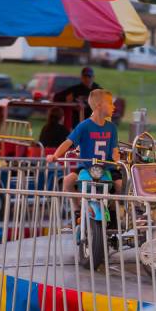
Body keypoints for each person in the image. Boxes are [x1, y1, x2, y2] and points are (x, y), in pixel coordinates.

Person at [47, 89, 122, 220]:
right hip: (87, 166)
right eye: (110, 103)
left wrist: (117, 159)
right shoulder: (84, 126)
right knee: (67, 181)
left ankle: (113, 208)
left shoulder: (112, 127)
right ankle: (77, 208)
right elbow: (68, 142)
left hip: (107, 167)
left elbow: (115, 149)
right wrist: (55, 155)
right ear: (99, 105)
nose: (113, 106)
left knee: (120, 185)